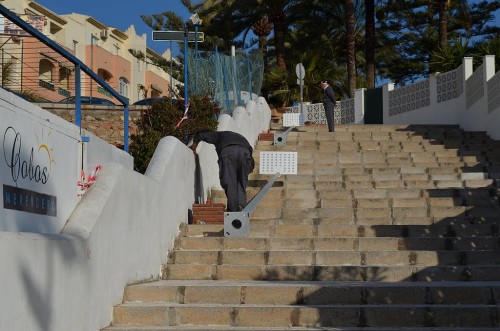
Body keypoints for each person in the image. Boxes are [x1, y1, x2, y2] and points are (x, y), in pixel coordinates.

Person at [188, 130, 255, 212]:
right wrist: (246, 171)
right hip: (245, 153)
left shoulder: (217, 135)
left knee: (230, 183)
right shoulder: (241, 137)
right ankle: (241, 209)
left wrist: (193, 147)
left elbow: (200, 134)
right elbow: (251, 156)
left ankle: (233, 212)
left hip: (228, 152)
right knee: (241, 183)